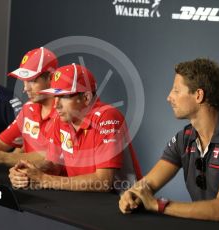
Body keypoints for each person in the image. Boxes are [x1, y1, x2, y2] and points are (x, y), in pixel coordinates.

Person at [119, 58, 219, 226]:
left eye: (176, 90)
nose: (169, 97)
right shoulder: (184, 138)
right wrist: (133, 194)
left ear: (198, 95)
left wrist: (158, 205)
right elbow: (148, 183)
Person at [9, 63, 142, 192]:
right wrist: (27, 172)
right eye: (55, 97)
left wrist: (44, 179)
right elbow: (53, 164)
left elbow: (103, 181)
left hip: (123, 203)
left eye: (63, 97)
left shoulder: (107, 117)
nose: (56, 105)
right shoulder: (61, 119)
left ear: (86, 97)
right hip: (83, 200)